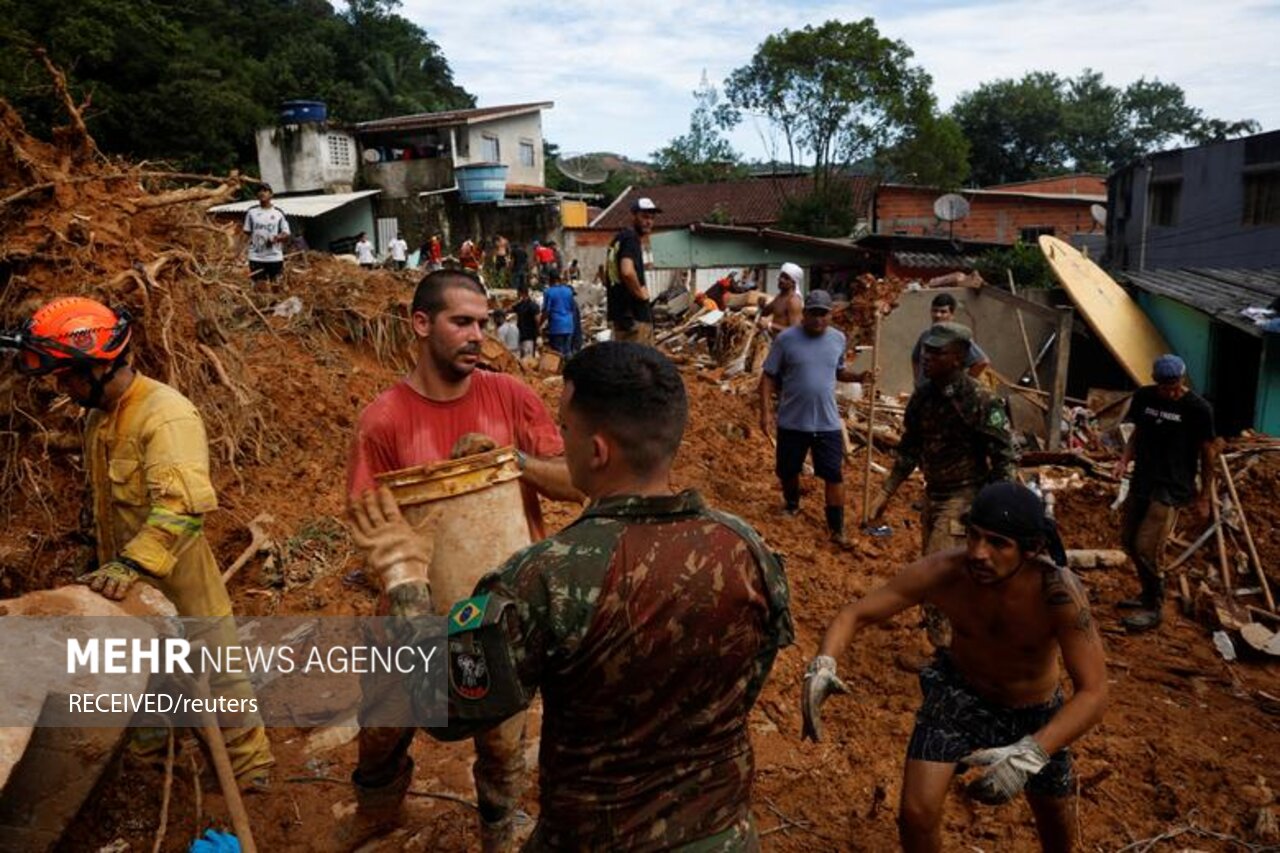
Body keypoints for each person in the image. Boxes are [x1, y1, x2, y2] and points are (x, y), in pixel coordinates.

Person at [348, 342, 794, 851]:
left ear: (597, 450)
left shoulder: (544, 577)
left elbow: (444, 707)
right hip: (725, 837)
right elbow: (752, 677)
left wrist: (406, 581)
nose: (559, 438)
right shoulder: (747, 548)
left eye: (564, 428)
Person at [345, 270, 581, 850]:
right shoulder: (385, 418)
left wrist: (513, 462)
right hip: (413, 607)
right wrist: (406, 594)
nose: (479, 334)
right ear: (421, 324)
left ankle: (498, 829)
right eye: (462, 322)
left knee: (501, 736)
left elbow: (576, 483)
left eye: (483, 322)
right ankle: (378, 810)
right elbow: (367, 517)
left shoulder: (511, 397)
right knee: (381, 727)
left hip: (501, 614)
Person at [14, 297, 274, 789]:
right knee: (142, 676)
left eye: (68, 375)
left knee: (216, 671)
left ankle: (250, 770)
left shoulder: (166, 416)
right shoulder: (100, 416)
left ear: (100, 365)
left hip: (176, 577)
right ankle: (151, 763)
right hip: (127, 580)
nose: (61, 387)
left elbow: (181, 509)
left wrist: (130, 565)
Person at [803, 481, 1107, 853]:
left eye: (998, 543)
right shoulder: (945, 572)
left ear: (1031, 550)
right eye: (973, 536)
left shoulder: (1058, 594)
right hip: (959, 695)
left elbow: (1094, 691)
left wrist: (1033, 752)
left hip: (1035, 712)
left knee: (1053, 818)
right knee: (916, 813)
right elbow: (855, 614)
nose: (978, 553)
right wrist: (823, 663)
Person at [866, 322, 1015, 647]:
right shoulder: (923, 398)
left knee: (936, 577)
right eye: (926, 350)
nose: (926, 357)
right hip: (933, 495)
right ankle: (962, 636)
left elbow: (1005, 458)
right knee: (947, 571)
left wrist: (1001, 514)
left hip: (964, 498)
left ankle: (944, 654)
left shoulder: (981, 401)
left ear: (959, 358)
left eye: (937, 352)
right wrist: (885, 492)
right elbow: (909, 449)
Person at [759, 290, 873, 546]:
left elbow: (839, 371)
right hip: (792, 420)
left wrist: (858, 377)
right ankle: (792, 504)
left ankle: (837, 528)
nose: (819, 319)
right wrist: (765, 411)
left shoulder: (838, 339)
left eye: (824, 314)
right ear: (805, 313)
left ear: (831, 314)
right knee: (787, 470)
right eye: (814, 313)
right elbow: (767, 376)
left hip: (827, 422)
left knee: (834, 475)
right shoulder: (786, 340)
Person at [1113, 354, 1216, 632]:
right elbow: (1136, 434)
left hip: (1172, 487)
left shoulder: (1198, 409)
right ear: (1154, 381)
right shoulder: (1144, 397)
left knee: (1148, 546)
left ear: (1182, 380)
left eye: (1174, 385)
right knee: (1129, 541)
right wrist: (1124, 461)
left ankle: (1154, 606)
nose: (1169, 391)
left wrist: (1205, 496)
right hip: (1143, 479)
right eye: (1163, 386)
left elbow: (1208, 454)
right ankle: (1146, 594)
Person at [605, 197, 660, 345]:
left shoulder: (618, 239)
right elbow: (627, 271)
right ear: (633, 216)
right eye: (644, 217)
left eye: (652, 218)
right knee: (640, 363)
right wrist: (640, 294)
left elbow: (610, 274)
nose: (649, 222)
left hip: (620, 315)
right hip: (634, 315)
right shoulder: (631, 238)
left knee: (624, 362)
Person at [910, 293, 990, 382]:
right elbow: (915, 359)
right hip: (925, 393)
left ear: (952, 315)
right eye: (935, 311)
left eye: (943, 312)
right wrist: (917, 382)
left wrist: (962, 384)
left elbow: (982, 362)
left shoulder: (957, 337)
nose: (938, 315)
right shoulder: (926, 335)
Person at [242, 183, 290, 284]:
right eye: (259, 191)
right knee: (259, 288)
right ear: (257, 195)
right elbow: (246, 232)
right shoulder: (251, 212)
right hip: (256, 257)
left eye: (265, 190)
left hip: (274, 257)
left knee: (276, 286)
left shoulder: (278, 213)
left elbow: (286, 233)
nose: (262, 193)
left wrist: (276, 238)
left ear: (271, 195)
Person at [758, 262, 804, 331]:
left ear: (793, 283)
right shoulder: (779, 297)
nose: (781, 280)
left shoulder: (793, 301)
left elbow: (795, 331)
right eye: (781, 276)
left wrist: (770, 325)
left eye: (786, 278)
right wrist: (761, 305)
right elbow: (765, 312)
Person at [541, 273, 576, 357]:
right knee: (567, 351)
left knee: (557, 353)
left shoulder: (549, 292)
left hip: (556, 326)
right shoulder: (568, 291)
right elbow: (573, 308)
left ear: (550, 280)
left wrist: (540, 324)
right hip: (569, 325)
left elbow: (546, 311)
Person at [512, 288, 540, 359]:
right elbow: (510, 309)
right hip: (523, 335)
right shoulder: (520, 305)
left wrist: (538, 332)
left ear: (522, 294)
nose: (518, 296)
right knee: (524, 357)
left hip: (529, 336)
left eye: (518, 295)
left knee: (528, 358)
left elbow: (537, 320)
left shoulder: (532, 306)